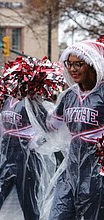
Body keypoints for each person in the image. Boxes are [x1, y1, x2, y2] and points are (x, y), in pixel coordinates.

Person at [0, 56, 63, 220]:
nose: (14, 83)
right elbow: (1, 126)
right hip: (5, 156)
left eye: (17, 79)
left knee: (29, 203)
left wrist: (36, 142)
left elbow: (50, 129)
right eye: (12, 79)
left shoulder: (32, 103)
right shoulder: (8, 100)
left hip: (26, 160)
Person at [48, 40, 104, 220]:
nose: (73, 69)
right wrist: (32, 103)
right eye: (69, 64)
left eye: (78, 64)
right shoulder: (68, 96)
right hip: (70, 169)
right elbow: (51, 126)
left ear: (92, 64)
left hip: (96, 171)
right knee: (58, 214)